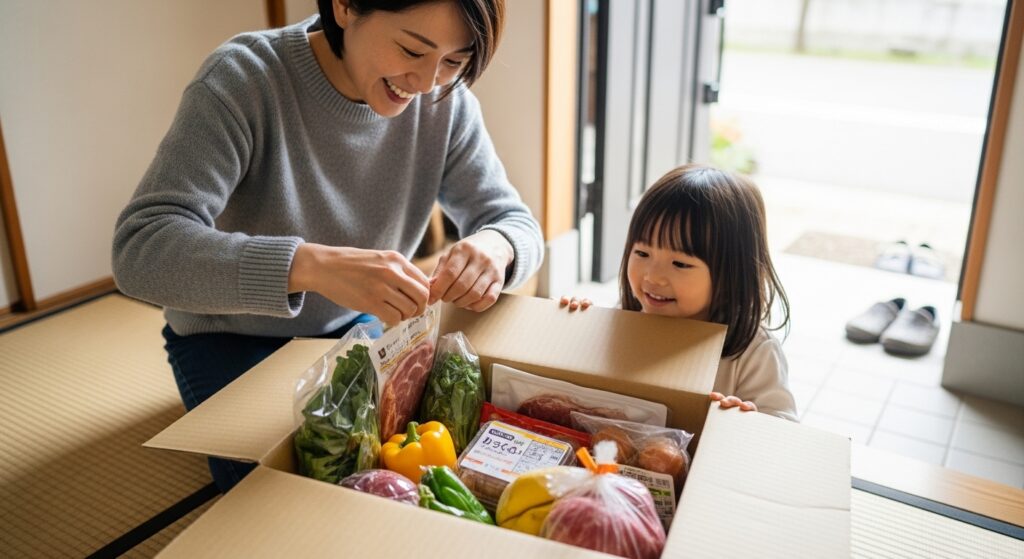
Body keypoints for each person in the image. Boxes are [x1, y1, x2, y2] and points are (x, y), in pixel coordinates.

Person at [112, 0, 542, 492]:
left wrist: (496, 246)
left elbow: (514, 221)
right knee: (293, 497)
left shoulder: (448, 104)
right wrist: (309, 265)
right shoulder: (244, 79)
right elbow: (140, 248)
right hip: (225, 335)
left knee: (421, 472)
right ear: (344, 6)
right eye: (411, 49)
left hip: (351, 329)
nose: (426, 84)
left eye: (454, 61)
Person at [560, 164, 797, 421]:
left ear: (730, 274)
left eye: (680, 263)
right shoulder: (627, 318)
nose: (652, 277)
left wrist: (749, 420)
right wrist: (581, 325)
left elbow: (782, 427)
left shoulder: (755, 353)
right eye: (642, 253)